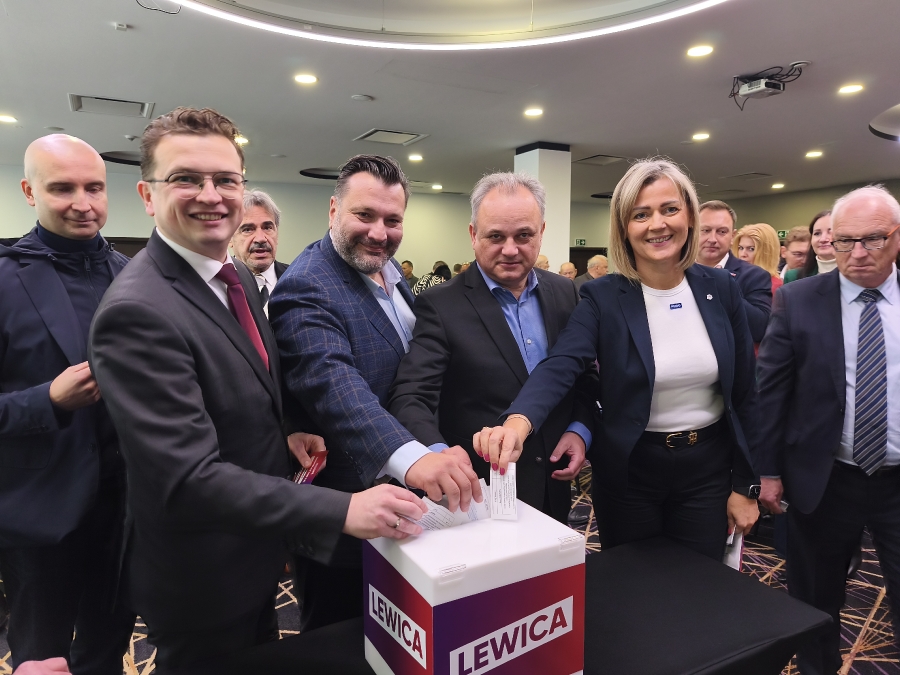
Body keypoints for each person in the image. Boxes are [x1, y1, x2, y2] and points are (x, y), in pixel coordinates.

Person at [88, 109, 426, 672]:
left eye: (226, 180)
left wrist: (289, 428)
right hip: (200, 572)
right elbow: (187, 480)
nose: (211, 195)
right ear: (148, 195)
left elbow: (254, 383)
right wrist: (342, 508)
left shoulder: (235, 276)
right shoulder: (137, 311)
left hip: (255, 552)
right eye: (186, 178)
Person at [474, 158, 760, 560]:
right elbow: (563, 362)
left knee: (699, 584)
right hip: (630, 472)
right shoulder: (603, 295)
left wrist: (747, 485)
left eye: (669, 209)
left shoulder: (722, 289)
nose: (657, 224)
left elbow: (746, 394)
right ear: (624, 227)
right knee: (631, 585)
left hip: (708, 471)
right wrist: (518, 421)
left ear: (690, 217)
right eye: (640, 214)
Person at [269, 154, 482, 633]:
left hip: (408, 501)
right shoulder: (307, 283)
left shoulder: (391, 273)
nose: (379, 233)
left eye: (393, 220)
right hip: (346, 508)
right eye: (364, 215)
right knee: (343, 638)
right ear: (333, 210)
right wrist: (413, 457)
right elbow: (335, 386)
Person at [388, 173, 597, 523]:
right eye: (496, 236)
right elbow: (411, 396)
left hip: (555, 479)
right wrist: (437, 454)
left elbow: (584, 375)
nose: (510, 249)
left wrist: (580, 430)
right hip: (478, 489)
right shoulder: (441, 305)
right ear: (473, 235)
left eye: (524, 235)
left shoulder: (565, 293)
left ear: (541, 232)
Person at [0, 134, 134, 674]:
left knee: (108, 645)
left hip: (126, 507)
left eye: (94, 187)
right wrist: (48, 401)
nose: (83, 203)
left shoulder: (134, 275)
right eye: (62, 188)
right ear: (29, 191)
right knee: (41, 654)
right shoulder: (5, 279)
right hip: (40, 510)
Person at [758, 185, 900, 674]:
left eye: (873, 239)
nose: (857, 253)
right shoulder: (798, 300)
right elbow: (771, 392)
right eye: (844, 241)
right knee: (815, 599)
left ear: (897, 237)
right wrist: (768, 472)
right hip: (826, 478)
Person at [697, 200, 772, 342]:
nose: (712, 239)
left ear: (732, 237)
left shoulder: (754, 275)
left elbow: (760, 328)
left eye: (722, 232)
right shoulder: (675, 272)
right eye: (705, 230)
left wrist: (718, 282)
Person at [230, 189, 288, 317]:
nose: (261, 239)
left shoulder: (298, 279)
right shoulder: (217, 284)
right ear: (229, 238)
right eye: (248, 229)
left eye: (267, 228)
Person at [784, 210, 835, 283]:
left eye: (830, 232)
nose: (823, 239)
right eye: (817, 233)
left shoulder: (852, 274)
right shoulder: (794, 277)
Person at [733, 223, 783, 298]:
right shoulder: (732, 278)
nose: (743, 254)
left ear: (766, 252)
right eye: (740, 248)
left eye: (751, 249)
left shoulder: (773, 286)